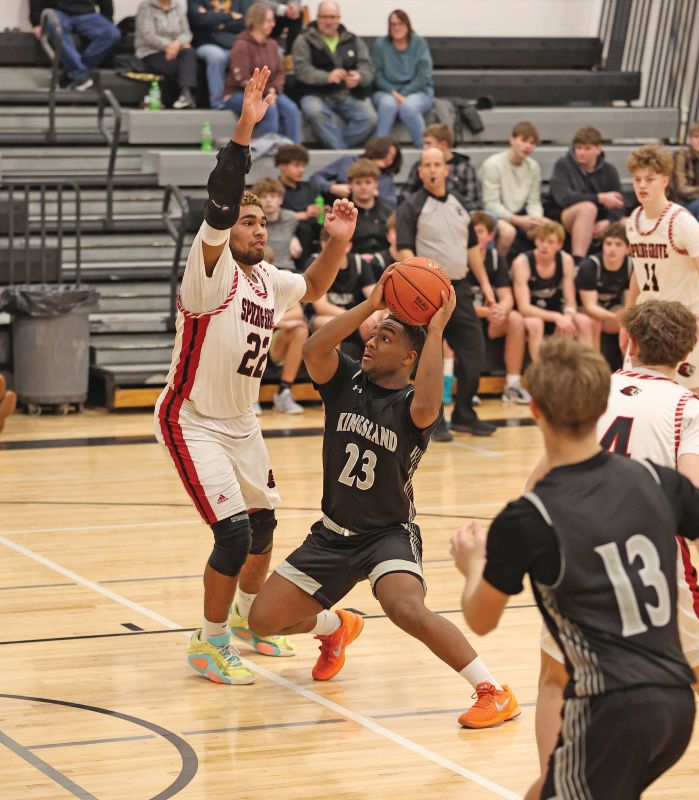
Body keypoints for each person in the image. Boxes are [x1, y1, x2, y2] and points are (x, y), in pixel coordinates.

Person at [153, 67, 358, 685]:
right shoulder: (207, 272)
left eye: (262, 223)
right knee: (234, 534)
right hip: (192, 420)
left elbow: (317, 286)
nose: (258, 229)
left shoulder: (270, 280)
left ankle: (245, 618)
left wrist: (338, 242)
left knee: (265, 526)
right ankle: (207, 639)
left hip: (243, 422)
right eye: (247, 223)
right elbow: (221, 196)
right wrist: (245, 127)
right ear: (225, 231)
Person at [248, 269, 520, 729]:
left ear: (410, 356)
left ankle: (493, 690)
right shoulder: (345, 381)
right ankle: (337, 627)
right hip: (331, 536)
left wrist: (436, 330)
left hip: (387, 535)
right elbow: (314, 348)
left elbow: (432, 397)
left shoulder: (415, 406)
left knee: (405, 608)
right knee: (262, 620)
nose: (371, 340)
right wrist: (373, 305)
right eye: (374, 333)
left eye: (386, 337)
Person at [452, 335, 699, 800]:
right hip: (676, 702)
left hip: (610, 709)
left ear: (535, 411)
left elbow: (481, 620)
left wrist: (473, 563)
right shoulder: (658, 480)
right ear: (602, 402)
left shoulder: (529, 517)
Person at [531, 300, 699, 784]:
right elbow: (689, 496)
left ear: (628, 342)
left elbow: (540, 479)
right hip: (653, 563)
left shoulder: (592, 391)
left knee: (555, 677)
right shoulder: (686, 407)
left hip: (577, 552)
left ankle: (552, 782)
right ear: (686, 351)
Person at [396, 147, 496, 440]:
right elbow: (404, 249)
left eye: (437, 164)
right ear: (420, 171)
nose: (432, 169)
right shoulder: (411, 207)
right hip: (426, 293)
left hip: (460, 289)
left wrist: (487, 288)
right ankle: (432, 420)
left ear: (446, 169)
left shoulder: (461, 204)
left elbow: (472, 251)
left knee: (475, 352)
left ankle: (465, 413)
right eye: (427, 165)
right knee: (430, 359)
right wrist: (413, 282)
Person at [626, 143, 699, 391]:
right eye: (637, 179)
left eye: (650, 179)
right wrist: (627, 317)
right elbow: (638, 270)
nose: (642, 185)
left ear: (665, 180)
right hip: (647, 323)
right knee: (639, 393)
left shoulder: (682, 223)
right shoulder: (633, 221)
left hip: (683, 323)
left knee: (689, 398)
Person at [291, 1, 377, 149]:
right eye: (324, 17)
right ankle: (342, 153)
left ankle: (338, 149)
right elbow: (302, 70)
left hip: (347, 93)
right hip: (314, 93)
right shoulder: (303, 40)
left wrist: (359, 77)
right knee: (315, 112)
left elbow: (367, 67)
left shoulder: (353, 39)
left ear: (338, 18)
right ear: (317, 18)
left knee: (370, 118)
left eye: (332, 17)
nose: (328, 21)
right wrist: (327, 77)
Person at [469, 212, 533, 404]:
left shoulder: (496, 258)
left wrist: (500, 310)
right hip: (465, 317)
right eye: (472, 232)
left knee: (515, 318)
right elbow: (453, 303)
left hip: (490, 319)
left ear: (490, 236)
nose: (475, 236)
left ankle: (512, 385)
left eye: (480, 232)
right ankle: (467, 386)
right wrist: (488, 311)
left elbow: (507, 296)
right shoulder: (458, 259)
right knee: (457, 319)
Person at [511, 220, 595, 360]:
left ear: (559, 245)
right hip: (532, 313)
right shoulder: (522, 262)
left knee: (585, 322)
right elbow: (524, 307)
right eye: (541, 240)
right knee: (536, 324)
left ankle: (588, 374)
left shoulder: (566, 260)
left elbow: (570, 301)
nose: (544, 246)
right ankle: (540, 376)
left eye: (550, 242)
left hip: (556, 309)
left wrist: (567, 317)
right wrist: (557, 317)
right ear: (536, 241)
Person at [222, 3, 301, 143]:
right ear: (257, 21)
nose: (273, 24)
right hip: (237, 93)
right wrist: (266, 94)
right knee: (269, 110)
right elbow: (242, 79)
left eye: (273, 20)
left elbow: (280, 72)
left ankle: (293, 154)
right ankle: (267, 150)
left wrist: (273, 90)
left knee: (292, 110)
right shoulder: (242, 44)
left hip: (270, 92)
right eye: (269, 21)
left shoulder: (272, 44)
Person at [550, 126, 625, 260]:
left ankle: (630, 266)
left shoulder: (609, 170)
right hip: (567, 216)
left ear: (599, 148)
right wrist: (599, 198)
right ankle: (578, 261)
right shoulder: (563, 165)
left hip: (601, 219)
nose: (582, 152)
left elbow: (620, 202)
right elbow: (563, 197)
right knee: (588, 209)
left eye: (587, 148)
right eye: (578, 148)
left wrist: (608, 221)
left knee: (628, 223)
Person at [478, 121, 546, 259]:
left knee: (549, 228)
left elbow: (534, 201)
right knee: (508, 232)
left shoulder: (533, 167)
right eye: (524, 140)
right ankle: (498, 267)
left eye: (532, 143)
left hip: (519, 215)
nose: (528, 146)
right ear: (512, 140)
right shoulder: (493, 165)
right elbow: (491, 204)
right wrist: (517, 220)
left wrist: (536, 219)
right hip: (490, 215)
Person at [308, 226, 380, 354]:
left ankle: (376, 371)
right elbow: (321, 307)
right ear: (323, 244)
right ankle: (334, 373)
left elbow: (376, 298)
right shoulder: (315, 262)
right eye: (331, 243)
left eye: (340, 244)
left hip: (353, 317)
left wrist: (372, 318)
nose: (335, 248)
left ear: (348, 246)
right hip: (321, 317)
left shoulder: (359, 263)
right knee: (331, 325)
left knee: (379, 321)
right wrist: (356, 317)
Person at [371, 9, 433, 147]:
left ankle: (424, 149)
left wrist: (403, 96)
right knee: (388, 104)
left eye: (400, 24)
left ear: (408, 25)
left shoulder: (420, 43)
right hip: (387, 92)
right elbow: (378, 76)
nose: (396, 28)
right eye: (393, 24)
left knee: (409, 107)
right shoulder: (380, 45)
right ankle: (376, 150)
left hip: (418, 92)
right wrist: (395, 95)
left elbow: (423, 76)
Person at [30, 0, 121, 91]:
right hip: (57, 11)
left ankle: (73, 73)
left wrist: (107, 19)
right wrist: (36, 22)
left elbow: (106, 3)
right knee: (54, 25)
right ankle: (78, 74)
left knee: (112, 34)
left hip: (87, 13)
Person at [575, 222, 632, 355]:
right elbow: (590, 306)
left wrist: (625, 318)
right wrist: (616, 317)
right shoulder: (589, 266)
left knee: (632, 325)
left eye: (618, 244)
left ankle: (631, 371)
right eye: (608, 243)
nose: (612, 249)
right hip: (584, 310)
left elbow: (630, 303)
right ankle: (596, 370)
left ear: (627, 249)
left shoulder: (631, 266)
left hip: (611, 310)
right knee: (594, 322)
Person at [400, 123, 480, 212]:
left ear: (443, 144)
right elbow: (406, 194)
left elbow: (472, 202)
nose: (424, 147)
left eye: (428, 143)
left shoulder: (465, 168)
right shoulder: (420, 165)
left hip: (455, 216)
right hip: (422, 213)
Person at [136, 0, 198, 109]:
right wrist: (168, 46)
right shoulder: (146, 6)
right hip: (151, 51)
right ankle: (185, 95)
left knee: (189, 52)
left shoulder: (177, 6)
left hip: (176, 49)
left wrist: (177, 43)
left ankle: (185, 94)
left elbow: (187, 33)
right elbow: (147, 35)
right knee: (185, 67)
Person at [309, 136, 401, 208]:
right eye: (386, 153)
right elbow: (315, 178)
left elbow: (392, 204)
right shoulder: (348, 161)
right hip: (342, 212)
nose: (389, 159)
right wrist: (331, 187)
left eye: (393, 157)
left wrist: (375, 196)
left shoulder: (387, 178)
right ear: (377, 150)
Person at [187, 0, 245, 110]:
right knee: (217, 56)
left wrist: (213, 18)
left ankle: (247, 100)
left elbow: (244, 22)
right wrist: (230, 16)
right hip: (206, 43)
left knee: (246, 52)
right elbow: (199, 20)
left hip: (232, 43)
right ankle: (218, 102)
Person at [275, 143, 323, 265]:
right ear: (282, 166)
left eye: (303, 166)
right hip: (289, 232)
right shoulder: (274, 189)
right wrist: (303, 214)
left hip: (314, 230)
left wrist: (322, 211)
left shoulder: (309, 187)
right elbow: (272, 215)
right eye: (296, 165)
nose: (301, 170)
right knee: (303, 229)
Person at [251, 177, 302, 272]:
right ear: (257, 200)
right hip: (259, 268)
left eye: (273, 196)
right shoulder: (252, 221)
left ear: (281, 199)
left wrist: (293, 236)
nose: (268, 200)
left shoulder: (291, 218)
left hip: (286, 269)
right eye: (264, 196)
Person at [346, 160, 392, 261]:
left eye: (368, 182)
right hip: (352, 266)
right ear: (350, 185)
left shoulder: (389, 212)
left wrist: (379, 258)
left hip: (384, 264)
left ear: (376, 184)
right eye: (358, 182)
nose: (363, 187)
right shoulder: (343, 212)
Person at [673, 120, 699, 220]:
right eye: (696, 137)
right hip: (680, 203)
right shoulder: (681, 156)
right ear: (690, 139)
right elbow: (681, 189)